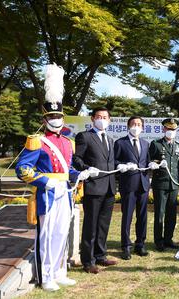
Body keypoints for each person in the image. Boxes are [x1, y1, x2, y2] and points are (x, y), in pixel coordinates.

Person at [15, 64, 82, 291]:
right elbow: (22, 169)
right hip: (47, 193)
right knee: (46, 234)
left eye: (59, 116)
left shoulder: (68, 142)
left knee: (62, 232)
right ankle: (46, 277)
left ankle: (59, 272)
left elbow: (68, 169)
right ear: (44, 120)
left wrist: (79, 174)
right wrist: (44, 180)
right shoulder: (37, 141)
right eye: (51, 116)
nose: (56, 119)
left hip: (65, 191)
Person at [73, 107, 117, 274]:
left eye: (105, 117)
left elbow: (110, 161)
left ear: (109, 120)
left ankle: (100, 256)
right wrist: (86, 168)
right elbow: (76, 158)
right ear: (92, 119)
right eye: (98, 116)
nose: (102, 119)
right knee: (90, 226)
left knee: (103, 225)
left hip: (109, 188)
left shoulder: (110, 140)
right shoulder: (85, 136)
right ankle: (88, 260)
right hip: (93, 186)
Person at [149, 118, 179, 251]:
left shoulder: (178, 146)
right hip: (160, 184)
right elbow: (149, 160)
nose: (170, 131)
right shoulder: (156, 144)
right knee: (160, 213)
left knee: (172, 214)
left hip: (173, 184)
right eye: (168, 129)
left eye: (173, 129)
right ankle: (158, 241)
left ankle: (168, 239)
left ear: (176, 130)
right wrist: (154, 164)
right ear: (163, 129)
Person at [114, 116, 151, 260]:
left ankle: (140, 244)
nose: (136, 126)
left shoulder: (145, 143)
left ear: (142, 127)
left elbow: (147, 161)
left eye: (139, 124)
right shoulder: (120, 143)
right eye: (134, 124)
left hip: (143, 184)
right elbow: (114, 161)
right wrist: (121, 165)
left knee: (142, 216)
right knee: (127, 216)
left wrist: (152, 165)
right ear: (128, 126)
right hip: (128, 184)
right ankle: (126, 247)